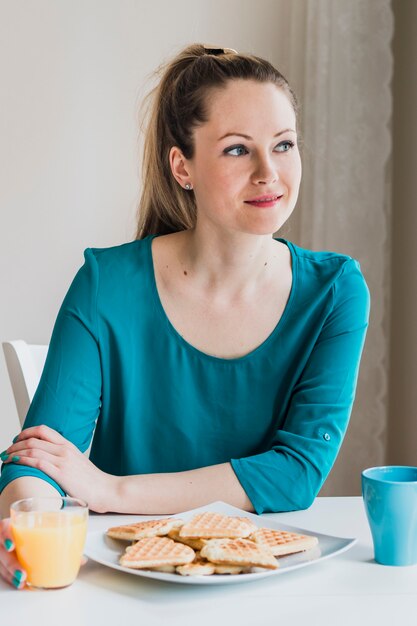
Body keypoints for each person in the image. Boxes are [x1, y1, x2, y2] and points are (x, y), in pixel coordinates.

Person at [0, 43, 370, 588]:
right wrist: (25, 525)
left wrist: (109, 490)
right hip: (125, 585)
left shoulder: (337, 291)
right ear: (183, 166)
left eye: (284, 144)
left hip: (275, 587)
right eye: (238, 150)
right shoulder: (106, 286)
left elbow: (294, 476)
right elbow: (39, 459)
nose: (270, 172)